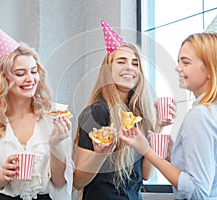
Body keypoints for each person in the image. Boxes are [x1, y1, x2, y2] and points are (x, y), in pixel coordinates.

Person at [119, 32, 217, 199]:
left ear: (210, 70)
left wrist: (147, 150)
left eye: (185, 62)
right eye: (179, 61)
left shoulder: (201, 115)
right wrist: (175, 155)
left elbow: (198, 191)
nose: (178, 67)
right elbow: (214, 173)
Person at [0, 20, 73, 200]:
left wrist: (56, 144)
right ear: (3, 79)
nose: (30, 79)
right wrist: (3, 175)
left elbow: (59, 183)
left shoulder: (54, 117)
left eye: (33, 71)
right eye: (20, 74)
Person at [72, 20, 175, 200]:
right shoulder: (96, 112)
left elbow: (145, 174)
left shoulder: (138, 116)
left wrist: (159, 126)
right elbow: (78, 181)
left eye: (135, 63)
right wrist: (100, 154)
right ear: (107, 70)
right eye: (121, 61)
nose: (130, 67)